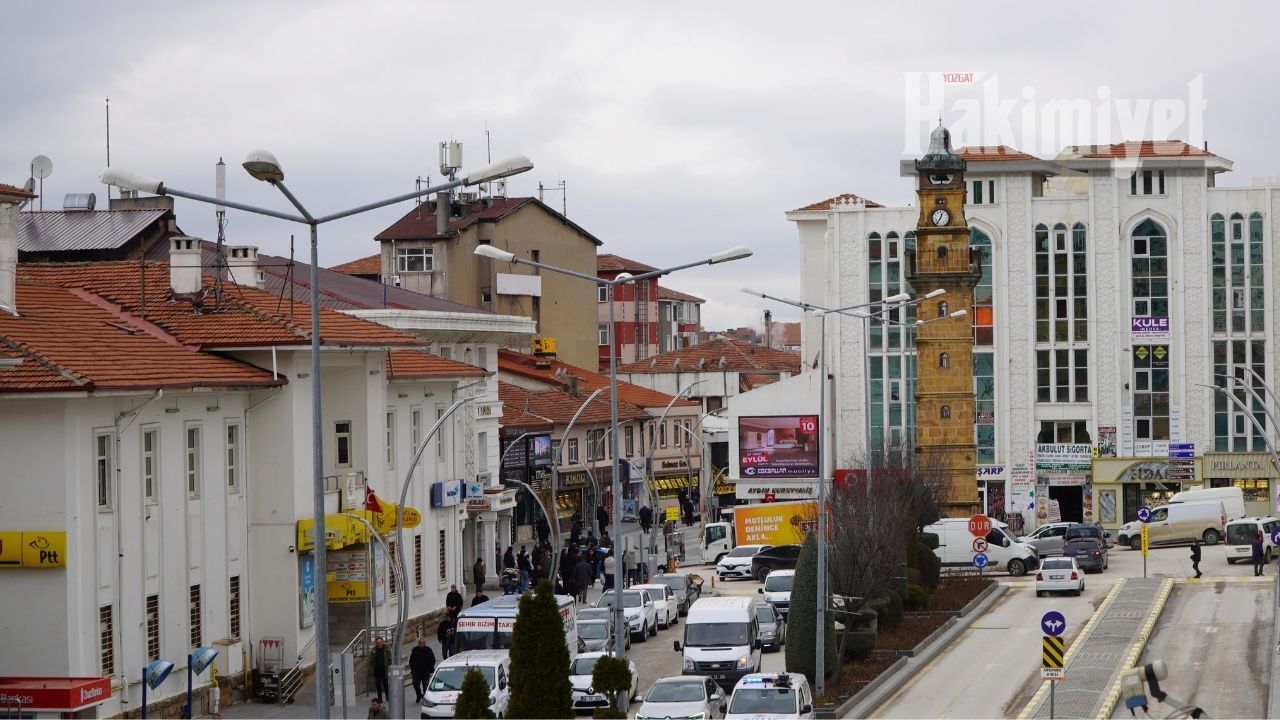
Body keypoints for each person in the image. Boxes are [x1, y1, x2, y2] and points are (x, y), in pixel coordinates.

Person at [409, 637, 436, 703]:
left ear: (424, 643)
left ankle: (424, 697)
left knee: (425, 686)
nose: (421, 644)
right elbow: (411, 661)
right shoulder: (415, 650)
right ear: (418, 643)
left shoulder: (428, 650)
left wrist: (430, 669)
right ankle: (419, 695)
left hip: (425, 671)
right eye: (419, 643)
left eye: (422, 643)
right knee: (415, 684)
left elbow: (433, 660)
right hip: (416, 672)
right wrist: (412, 670)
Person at [369, 636, 391, 703]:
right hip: (377, 671)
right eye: (377, 642)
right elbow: (370, 660)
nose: (379, 644)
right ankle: (380, 698)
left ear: (383, 642)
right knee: (378, 685)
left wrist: (389, 667)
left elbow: (390, 658)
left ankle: (388, 696)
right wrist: (371, 668)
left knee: (385, 684)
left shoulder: (386, 648)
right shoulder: (373, 650)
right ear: (376, 643)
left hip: (384, 670)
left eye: (380, 642)